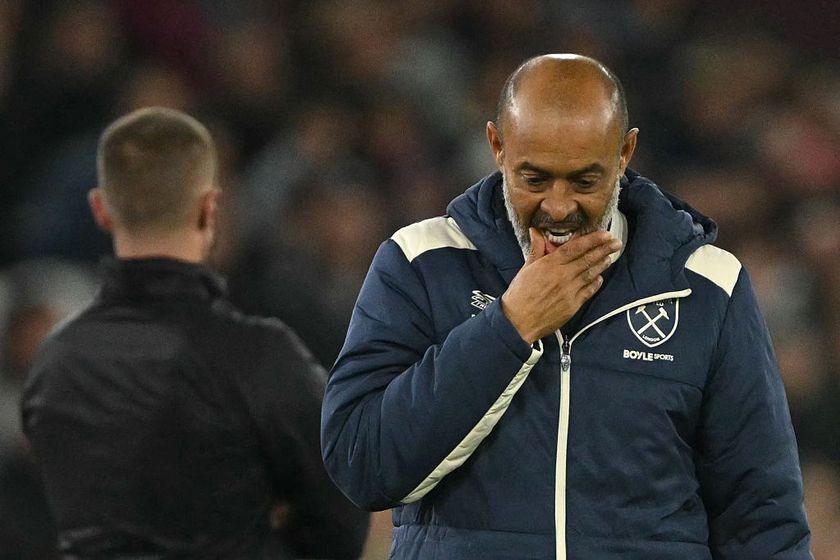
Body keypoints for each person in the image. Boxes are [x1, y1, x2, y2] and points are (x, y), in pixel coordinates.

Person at [320, 54, 812, 559]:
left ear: (625, 152)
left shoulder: (707, 287)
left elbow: (763, 519)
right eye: (534, 180)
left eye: (584, 182)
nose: (558, 207)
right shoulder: (420, 264)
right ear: (497, 146)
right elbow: (361, 463)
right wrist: (508, 328)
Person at [21, 107, 369, 559]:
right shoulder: (258, 357)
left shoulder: (52, 365)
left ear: (102, 210)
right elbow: (341, 512)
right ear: (209, 207)